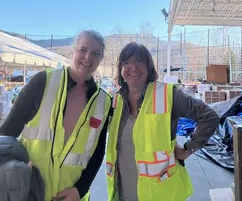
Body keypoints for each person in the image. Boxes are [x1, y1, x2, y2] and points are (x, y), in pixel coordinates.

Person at [0, 30, 112, 201]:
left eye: (95, 53)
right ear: (72, 51)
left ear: (101, 59)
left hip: (72, 196)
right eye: (83, 50)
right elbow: (6, 134)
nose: (88, 57)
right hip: (29, 192)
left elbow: (97, 153)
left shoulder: (104, 102)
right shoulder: (42, 81)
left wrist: (80, 190)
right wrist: (13, 171)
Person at [106, 42, 220, 201]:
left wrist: (189, 148)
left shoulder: (168, 94)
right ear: (120, 68)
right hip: (122, 192)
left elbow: (209, 116)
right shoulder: (114, 100)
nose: (133, 67)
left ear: (149, 67)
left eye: (139, 61)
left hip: (160, 193)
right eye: (127, 63)